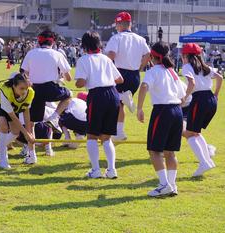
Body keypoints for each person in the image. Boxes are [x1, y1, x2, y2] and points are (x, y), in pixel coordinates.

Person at [136, 41, 185, 197]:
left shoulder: (154, 71)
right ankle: (172, 185)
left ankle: (164, 185)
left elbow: (144, 86)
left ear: (152, 55)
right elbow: (183, 97)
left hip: (162, 111)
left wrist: (139, 108)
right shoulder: (172, 71)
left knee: (154, 150)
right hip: (177, 110)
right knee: (170, 152)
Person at [75, 31, 124, 179]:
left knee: (91, 135)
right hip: (113, 94)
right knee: (106, 137)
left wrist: (82, 81)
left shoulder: (84, 60)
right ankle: (111, 170)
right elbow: (120, 79)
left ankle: (95, 170)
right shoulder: (106, 59)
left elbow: (81, 83)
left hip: (97, 96)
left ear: (84, 45)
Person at [21, 29, 72, 164]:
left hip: (34, 89)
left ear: (39, 41)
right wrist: (60, 76)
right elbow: (69, 77)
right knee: (68, 95)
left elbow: (23, 73)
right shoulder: (57, 54)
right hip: (50, 87)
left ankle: (31, 154)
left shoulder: (31, 53)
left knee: (30, 123)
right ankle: (54, 117)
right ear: (53, 42)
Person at [104, 11, 150, 140]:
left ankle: (118, 131)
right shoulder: (140, 39)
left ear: (119, 24)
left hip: (120, 74)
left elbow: (111, 55)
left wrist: (104, 65)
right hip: (135, 75)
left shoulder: (116, 38)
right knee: (120, 104)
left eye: (116, 24)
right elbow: (148, 54)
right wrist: (140, 67)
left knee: (114, 103)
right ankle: (119, 132)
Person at [181, 43, 223, 177]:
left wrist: (184, 97)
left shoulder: (187, 66)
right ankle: (207, 160)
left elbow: (192, 83)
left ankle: (204, 162)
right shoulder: (205, 67)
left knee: (189, 133)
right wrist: (216, 94)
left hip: (199, 100)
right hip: (210, 100)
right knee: (196, 133)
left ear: (185, 55)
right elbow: (220, 77)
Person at [0, 73, 35, 169]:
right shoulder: (6, 92)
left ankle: (1, 144)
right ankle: (3, 160)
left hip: (10, 104)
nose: (25, 91)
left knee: (15, 132)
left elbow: (26, 113)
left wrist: (29, 132)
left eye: (26, 88)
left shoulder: (30, 92)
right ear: (14, 86)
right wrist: (26, 134)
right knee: (3, 126)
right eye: (21, 88)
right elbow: (13, 116)